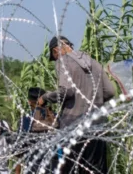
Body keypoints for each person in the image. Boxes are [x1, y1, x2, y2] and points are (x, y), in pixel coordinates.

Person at [37, 36, 116, 174]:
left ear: (56, 50)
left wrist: (46, 97)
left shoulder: (63, 61)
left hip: (74, 125)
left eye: (54, 56)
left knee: (73, 169)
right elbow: (110, 91)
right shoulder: (94, 63)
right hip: (97, 125)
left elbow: (67, 91)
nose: (56, 59)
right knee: (96, 170)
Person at [14, 87, 57, 174]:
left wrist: (17, 170)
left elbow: (20, 148)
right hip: (54, 165)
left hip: (33, 166)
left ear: (29, 101)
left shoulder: (27, 120)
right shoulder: (56, 117)